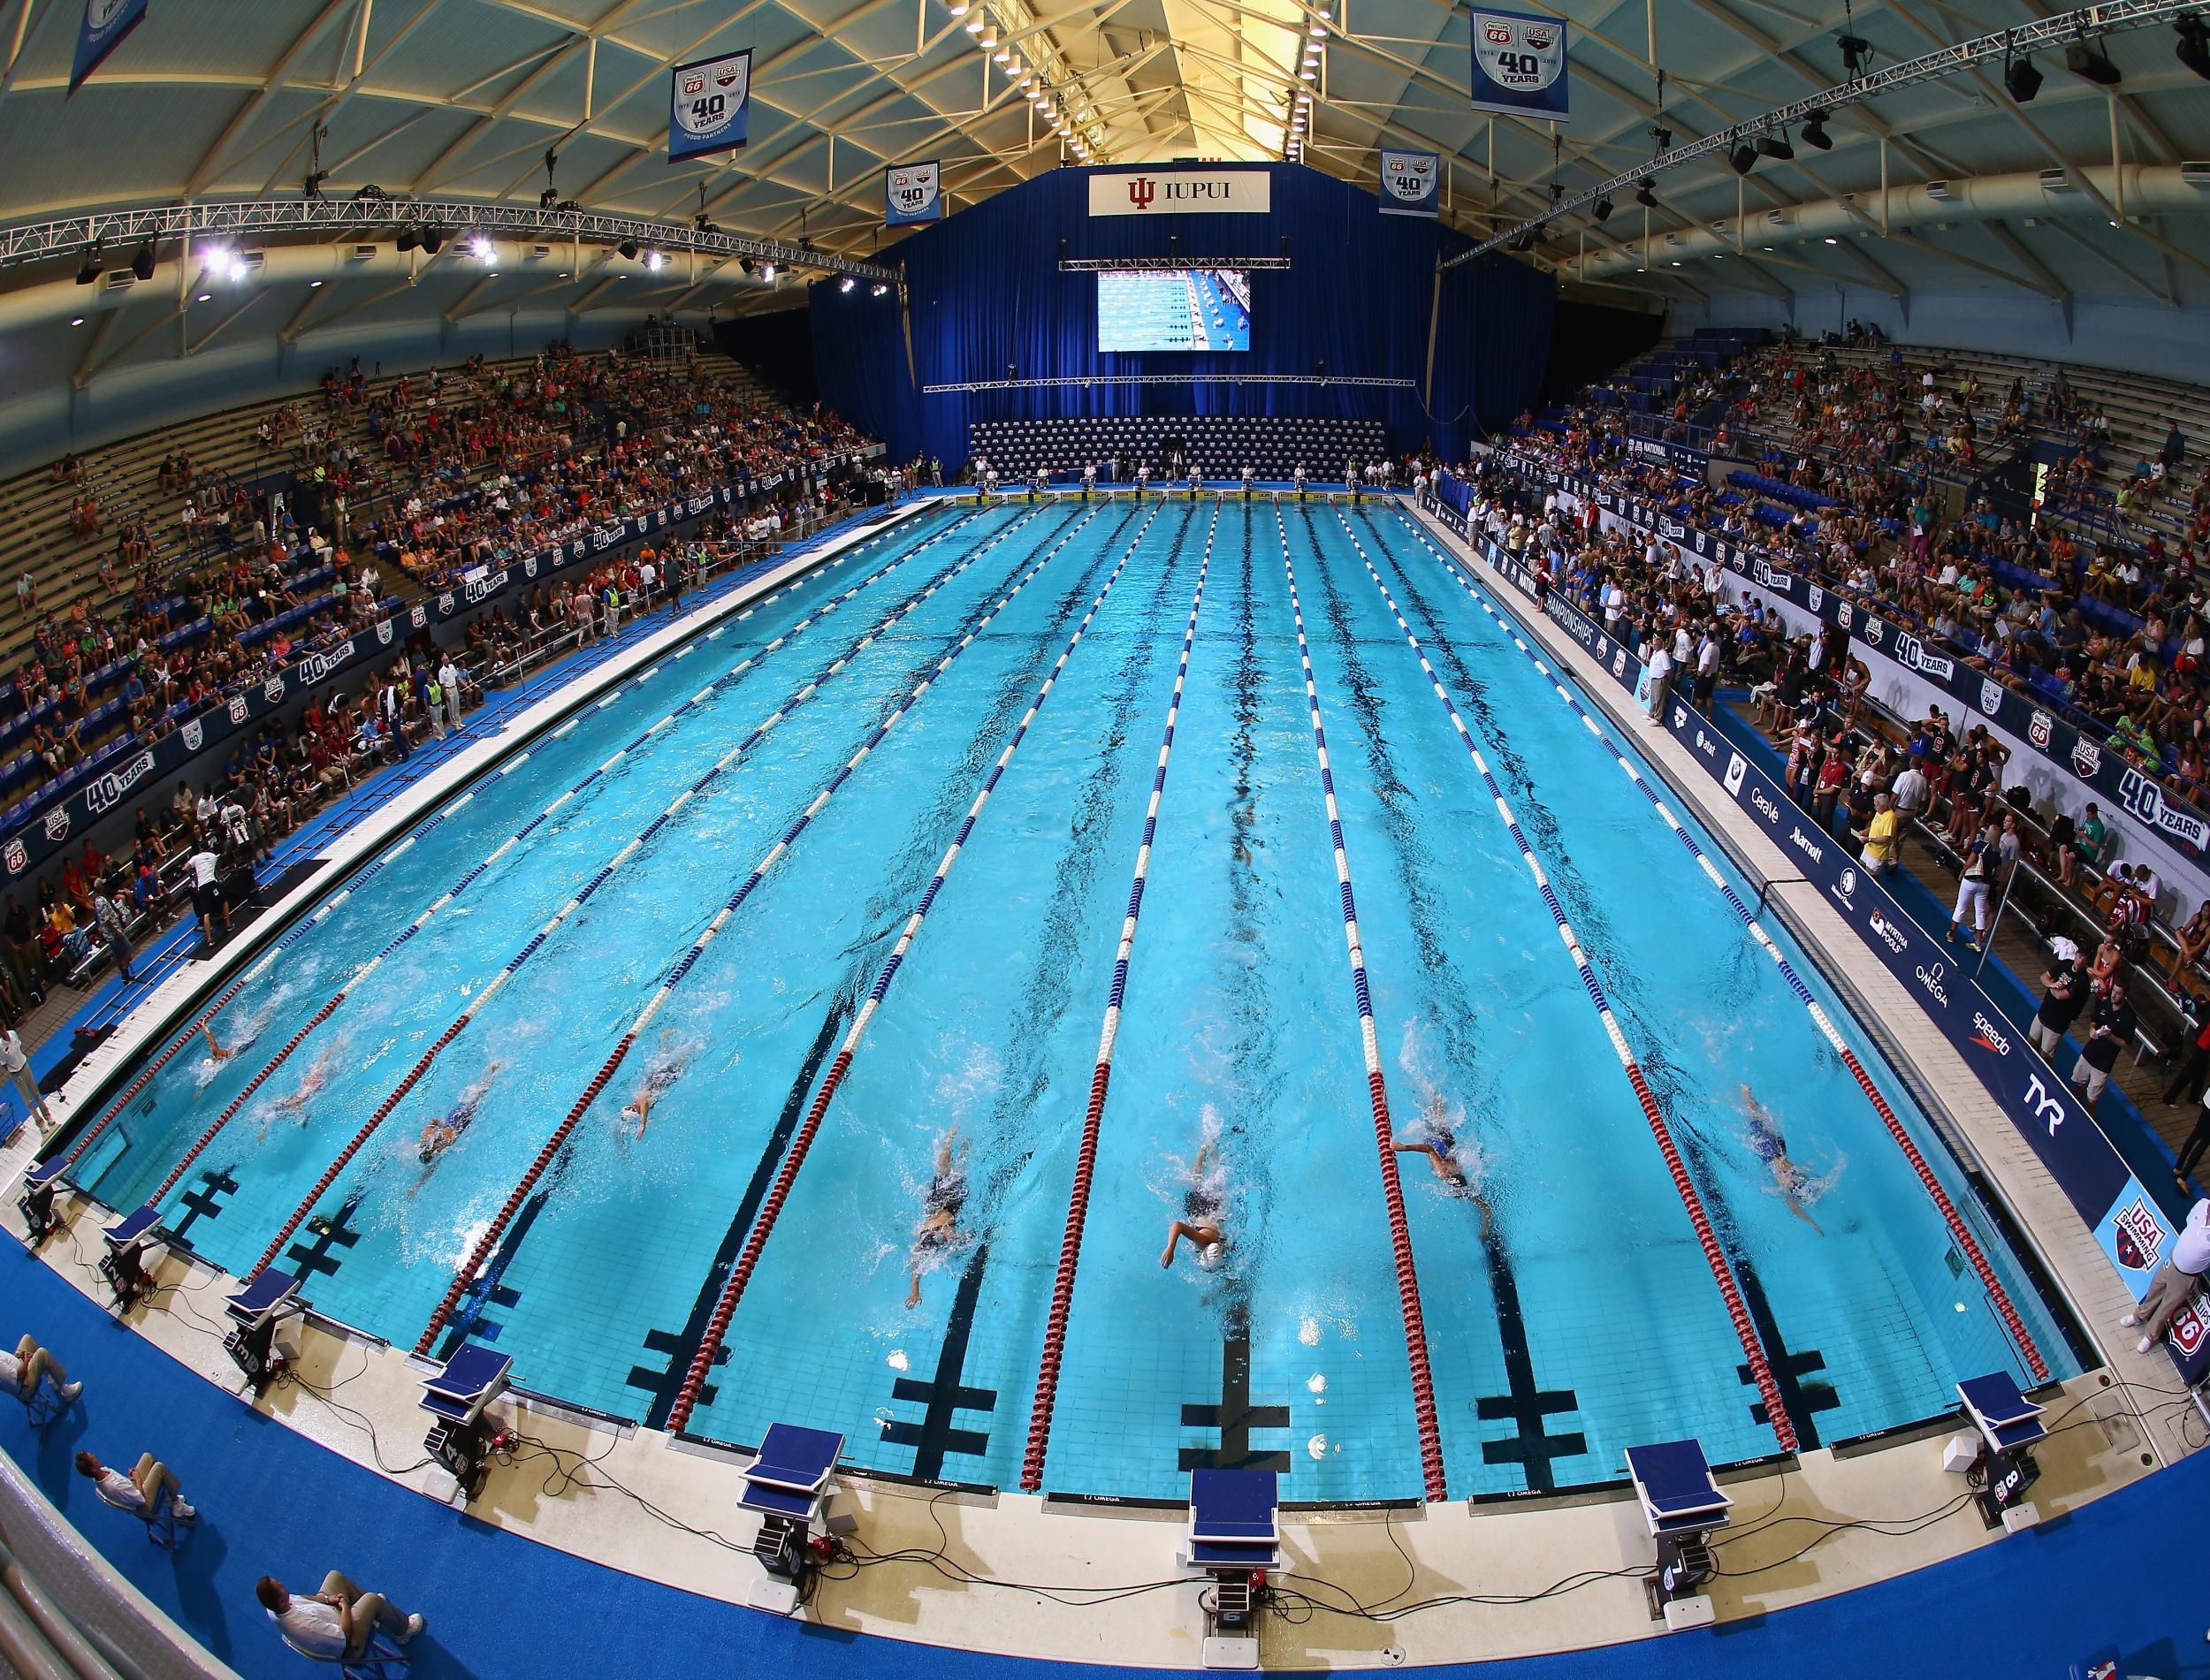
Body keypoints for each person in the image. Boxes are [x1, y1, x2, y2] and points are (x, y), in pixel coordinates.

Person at [256, 1574, 424, 1661]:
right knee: (372, 1600)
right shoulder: (304, 1625)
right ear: (279, 1600)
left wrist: (329, 1599)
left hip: (328, 1615)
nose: (281, 1583)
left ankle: (373, 1612)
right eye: (279, 1586)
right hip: (349, 1644)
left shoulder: (274, 1607)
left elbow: (303, 1599)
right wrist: (344, 1607)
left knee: (334, 1576)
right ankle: (404, 1630)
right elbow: (344, 1633)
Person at [2121, 1196, 2210, 1354]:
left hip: (2186, 1276)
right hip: (2171, 1260)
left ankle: (2150, 1336)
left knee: (2166, 1307)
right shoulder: (2202, 1205)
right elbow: (2189, 1223)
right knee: (2155, 1289)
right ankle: (2138, 1316)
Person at [1741, 1084, 1823, 1233]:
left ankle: (1745, 1094)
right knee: (1757, 1117)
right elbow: (1795, 1208)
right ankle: (1746, 1095)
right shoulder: (1789, 1177)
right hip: (1774, 1150)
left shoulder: (1786, 1186)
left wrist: (1813, 1225)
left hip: (1770, 1150)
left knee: (1756, 1117)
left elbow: (1795, 1210)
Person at [905, 1128, 970, 1308]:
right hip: (936, 1204)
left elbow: (916, 1264)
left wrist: (915, 1292)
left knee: (957, 1168)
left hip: (950, 1204)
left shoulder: (942, 1233)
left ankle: (959, 1140)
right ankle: (953, 1139)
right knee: (945, 1170)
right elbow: (915, 1265)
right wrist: (914, 1291)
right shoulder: (923, 1235)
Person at [75, 1448, 195, 1524]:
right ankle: (176, 1505)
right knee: (159, 1467)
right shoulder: (113, 1486)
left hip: (132, 1489)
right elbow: (140, 1499)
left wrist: (132, 1478)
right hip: (143, 1506)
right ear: (93, 1468)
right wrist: (137, 1479)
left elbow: (126, 1487)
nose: (96, 1457)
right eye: (93, 1459)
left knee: (147, 1457)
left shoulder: (101, 1472)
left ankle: (167, 1500)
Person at [416, 1062, 503, 1166]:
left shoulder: (442, 1147)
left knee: (479, 1096)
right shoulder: (426, 1136)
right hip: (451, 1118)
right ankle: (490, 1073)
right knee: (473, 1097)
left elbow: (455, 1136)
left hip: (460, 1121)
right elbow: (434, 1121)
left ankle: (493, 1072)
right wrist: (444, 1125)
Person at [1161, 1136, 1229, 1268]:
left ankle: (1210, 1147)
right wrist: (1170, 1248)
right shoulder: (1203, 1241)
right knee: (1196, 1178)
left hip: (1214, 1211)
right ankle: (1204, 1148)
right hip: (1200, 1209)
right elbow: (1177, 1225)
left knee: (1214, 1176)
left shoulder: (1220, 1247)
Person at [2071, 975, 2135, 1115]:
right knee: (2079, 1085)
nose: (2114, 995)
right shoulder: (2106, 1003)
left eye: (2118, 993)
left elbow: (2125, 1043)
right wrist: (2091, 1029)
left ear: (2124, 995)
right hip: (2089, 1053)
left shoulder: (2129, 1017)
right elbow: (2094, 1020)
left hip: (2103, 1064)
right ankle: (2073, 1111)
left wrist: (2110, 1036)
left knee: (2092, 1099)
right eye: (2114, 991)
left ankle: (2088, 1123)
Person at [617, 1039, 692, 1138]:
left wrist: (643, 1124)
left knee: (687, 1056)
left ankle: (699, 1042)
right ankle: (665, 1038)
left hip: (661, 1079)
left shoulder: (638, 1102)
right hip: (658, 1080)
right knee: (666, 1058)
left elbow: (644, 1102)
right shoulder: (637, 1103)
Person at [2030, 938, 2084, 1060]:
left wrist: (2051, 985)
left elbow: (2060, 995)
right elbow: (2043, 977)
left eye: (2084, 958)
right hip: (2043, 1014)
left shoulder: (2082, 980)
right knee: (2030, 1044)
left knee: (2045, 1056)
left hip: (2056, 1024)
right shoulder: (2065, 964)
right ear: (2076, 955)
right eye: (2079, 956)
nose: (2080, 960)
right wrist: (2051, 984)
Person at [1946, 828, 1993, 952]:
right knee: (1980, 913)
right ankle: (1977, 943)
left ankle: (1951, 934)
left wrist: (1961, 873)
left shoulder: (1980, 845)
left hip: (1971, 880)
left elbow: (1969, 862)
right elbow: (1996, 872)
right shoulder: (1997, 852)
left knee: (1961, 907)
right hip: (1985, 884)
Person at [2, 1334, 80, 1407]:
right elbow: (18, 1376)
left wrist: (18, 1356)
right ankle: (67, 1392)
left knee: (27, 1339)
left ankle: (52, 1379)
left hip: (20, 1365)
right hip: (25, 1385)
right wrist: (26, 1361)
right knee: (42, 1354)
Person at [2, 1025, 50, 1134]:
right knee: (28, 1101)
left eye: (3, 1029)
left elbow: (18, 1047)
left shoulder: (13, 1033)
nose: (2, 1031)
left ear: (4, 1027)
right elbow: (3, 1064)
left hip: (25, 1066)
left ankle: (48, 1116)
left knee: (36, 1094)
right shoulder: (0, 1046)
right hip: (16, 1074)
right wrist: (14, 1069)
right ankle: (40, 1123)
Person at [92, 890, 134, 984]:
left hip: (110, 935)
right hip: (114, 934)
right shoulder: (101, 901)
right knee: (128, 948)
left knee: (118, 956)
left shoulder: (99, 902)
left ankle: (125, 976)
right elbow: (107, 920)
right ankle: (125, 972)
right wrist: (116, 931)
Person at [188, 842, 225, 944]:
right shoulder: (213, 856)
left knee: (206, 913)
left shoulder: (195, 858)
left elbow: (185, 867)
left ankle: (209, 939)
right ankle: (229, 924)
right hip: (212, 884)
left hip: (203, 887)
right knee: (223, 901)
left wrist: (194, 867)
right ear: (208, 848)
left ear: (200, 849)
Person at [1859, 791, 1899, 875]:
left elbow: (1885, 839)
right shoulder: (1879, 811)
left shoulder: (1890, 818)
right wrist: (1865, 831)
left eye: (1876, 805)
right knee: (1861, 871)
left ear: (1884, 806)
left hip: (1877, 855)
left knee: (1871, 877)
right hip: (1868, 849)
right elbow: (1874, 825)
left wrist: (1869, 839)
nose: (1875, 807)